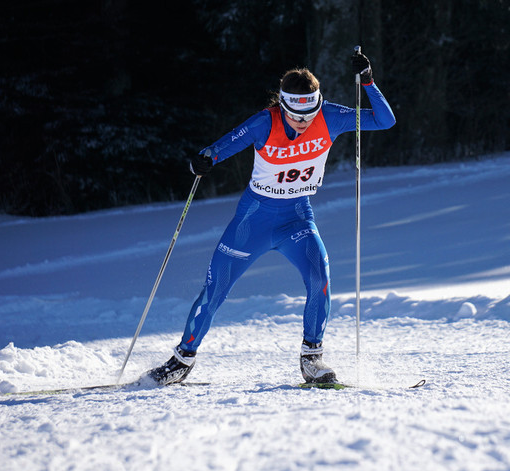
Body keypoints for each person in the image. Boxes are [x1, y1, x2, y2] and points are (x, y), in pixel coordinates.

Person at [147, 50, 395, 385]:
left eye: (309, 113)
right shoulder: (267, 120)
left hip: (297, 218)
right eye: (295, 115)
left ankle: (311, 360)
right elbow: (219, 147)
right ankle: (181, 360)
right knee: (215, 289)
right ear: (283, 105)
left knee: (320, 279)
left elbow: (384, 120)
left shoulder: (330, 117)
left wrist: (367, 80)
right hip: (253, 222)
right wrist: (203, 160)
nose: (303, 122)